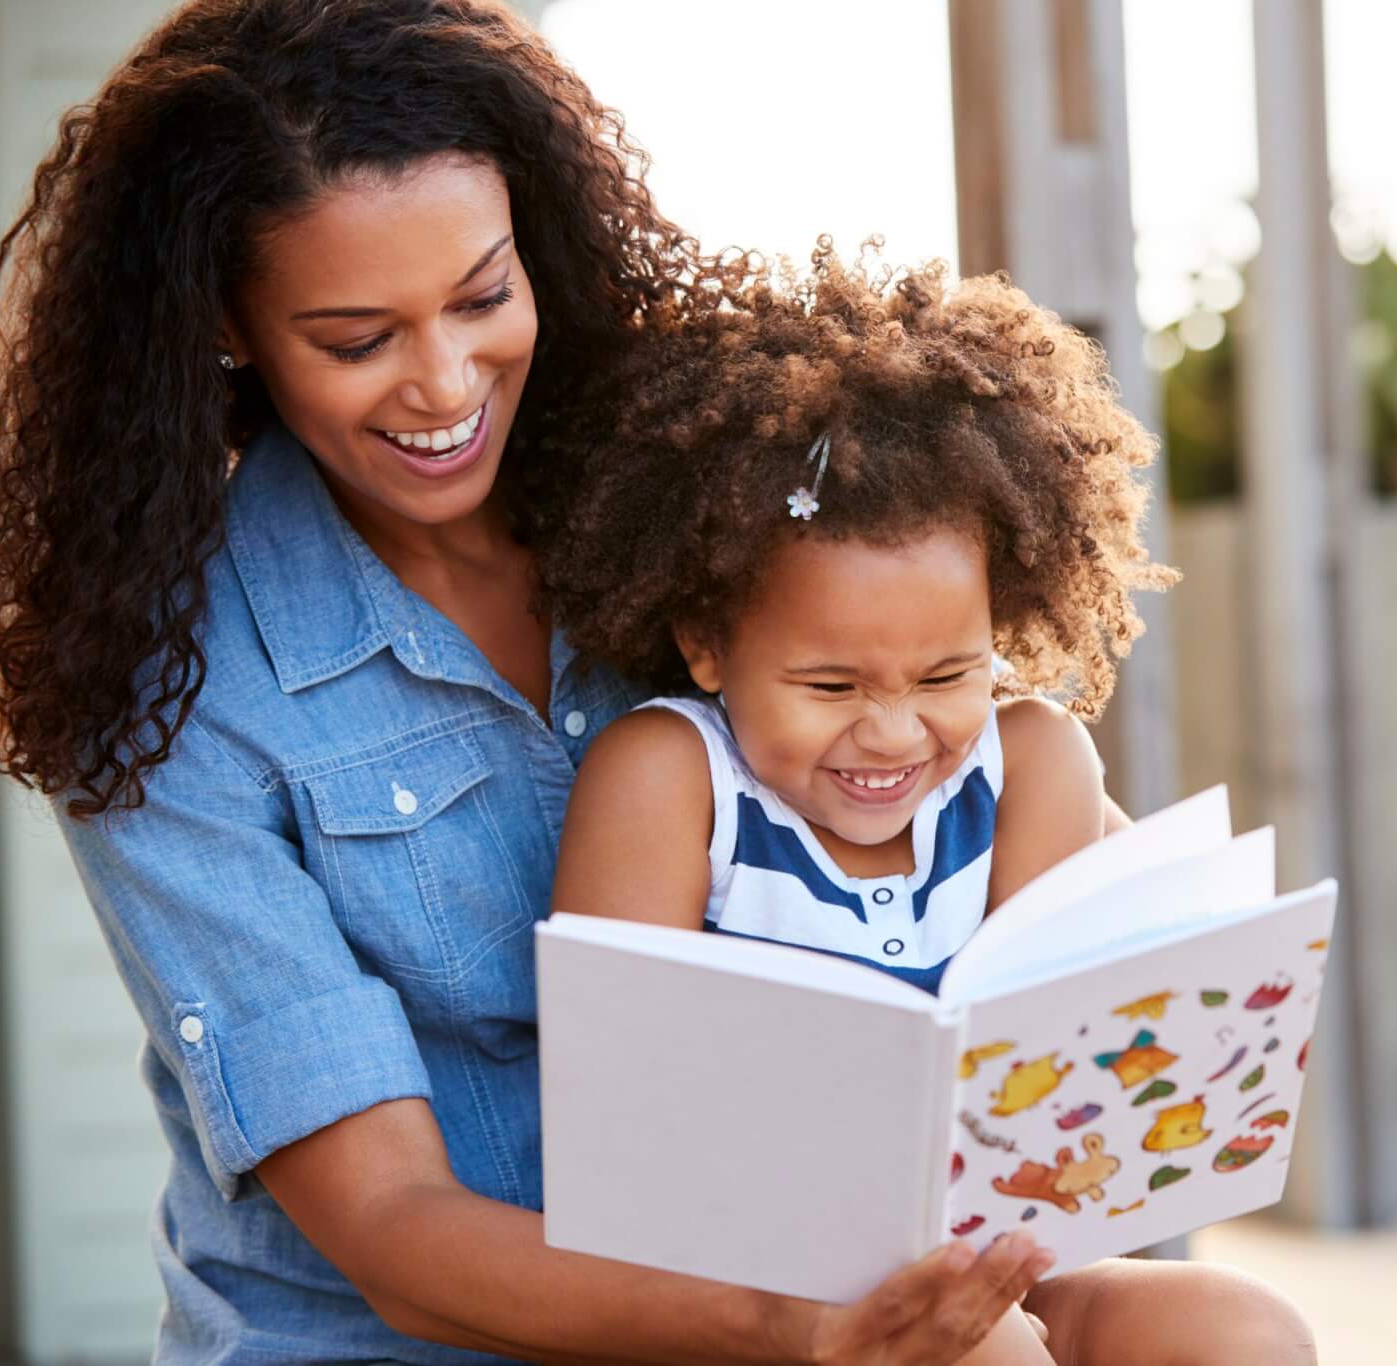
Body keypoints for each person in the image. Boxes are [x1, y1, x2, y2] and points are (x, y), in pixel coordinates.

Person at [0, 2, 1093, 1359]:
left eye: (484, 296)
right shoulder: (168, 682)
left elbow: (978, 827)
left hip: (797, 1281)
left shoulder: (696, 515)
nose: (446, 381)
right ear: (226, 327)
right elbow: (394, 1229)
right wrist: (796, 1324)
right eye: (354, 336)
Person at [536, 244, 1318, 1365]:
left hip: (995, 1262)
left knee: (1241, 1327)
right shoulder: (666, 780)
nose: (894, 732)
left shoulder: (1033, 761)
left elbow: (1060, 1070)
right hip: (754, 1312)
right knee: (988, 1351)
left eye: (946, 676)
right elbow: (620, 1125)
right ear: (706, 642)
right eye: (830, 686)